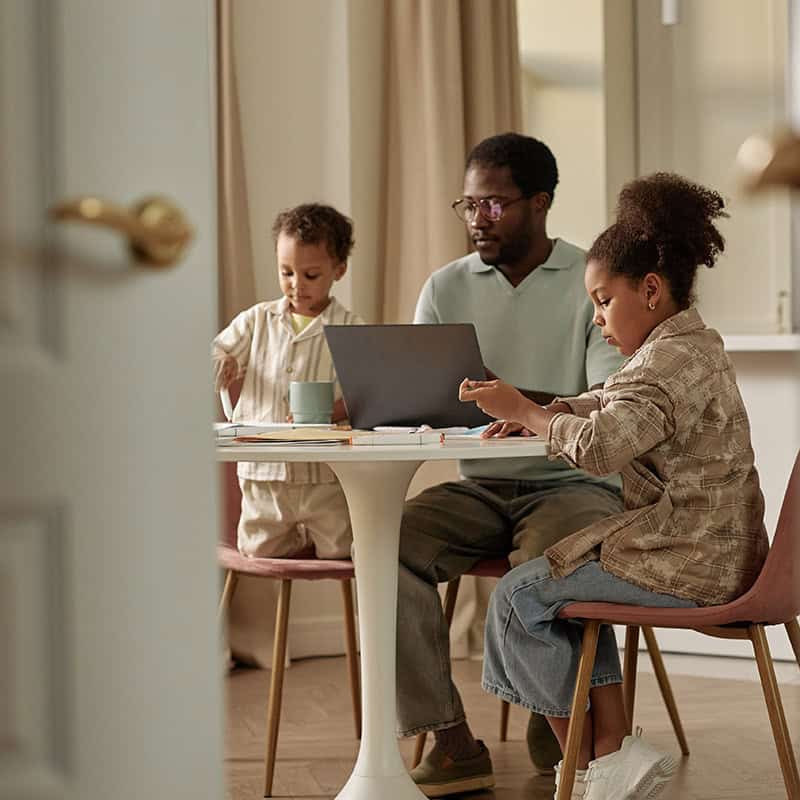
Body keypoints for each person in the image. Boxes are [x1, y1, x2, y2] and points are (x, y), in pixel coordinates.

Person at [459, 172, 768, 800]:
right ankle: (612, 755)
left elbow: (602, 446)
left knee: (520, 597)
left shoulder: (662, 365)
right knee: (558, 585)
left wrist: (529, 413)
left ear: (649, 290)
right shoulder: (691, 345)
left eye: (602, 300)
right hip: (717, 551)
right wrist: (551, 412)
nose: (596, 318)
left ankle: (595, 766)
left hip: (691, 563)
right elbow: (613, 402)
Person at [402, 132, 625, 796]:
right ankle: (447, 737)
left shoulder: (592, 281)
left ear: (540, 203)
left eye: (494, 205)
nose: (478, 219)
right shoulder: (443, 288)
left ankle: (548, 707)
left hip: (573, 484)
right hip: (480, 487)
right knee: (386, 546)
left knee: (542, 569)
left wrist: (516, 399)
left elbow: (608, 402)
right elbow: (422, 396)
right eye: (468, 205)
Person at [213, 203, 363, 559]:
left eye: (310, 275)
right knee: (259, 550)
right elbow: (218, 349)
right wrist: (222, 361)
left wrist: (332, 411)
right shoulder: (257, 320)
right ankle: (291, 537)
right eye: (286, 273)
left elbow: (368, 393)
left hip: (324, 474)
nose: (296, 286)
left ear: (338, 270)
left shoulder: (351, 329)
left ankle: (313, 538)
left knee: (341, 550)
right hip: (263, 471)